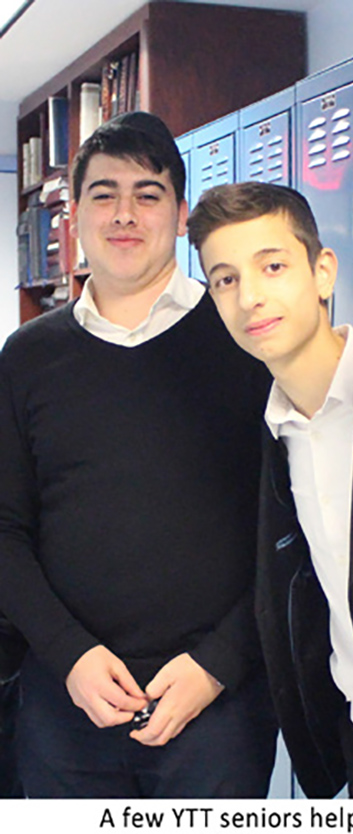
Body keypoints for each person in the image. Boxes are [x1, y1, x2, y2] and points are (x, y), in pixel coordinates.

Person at [0, 112, 276, 798]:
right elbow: (4, 530)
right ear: (74, 217)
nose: (125, 213)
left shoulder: (247, 342)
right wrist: (70, 656)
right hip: (64, 703)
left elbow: (288, 531)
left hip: (216, 707)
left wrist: (220, 663)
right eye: (104, 194)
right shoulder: (27, 357)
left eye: (148, 195)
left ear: (181, 216)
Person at [187, 181, 353, 797]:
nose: (250, 296)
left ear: (323, 271)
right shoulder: (268, 429)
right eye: (225, 279)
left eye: (272, 266)